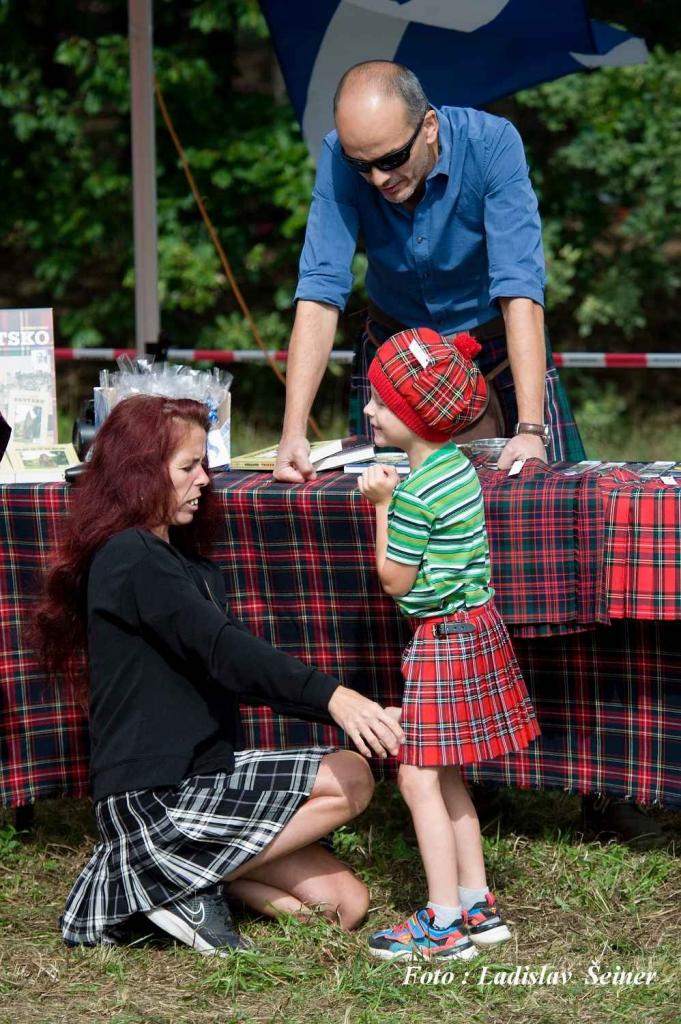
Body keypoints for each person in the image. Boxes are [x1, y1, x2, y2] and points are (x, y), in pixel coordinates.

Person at [34, 395, 404, 955]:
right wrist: (335, 698)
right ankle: (165, 877)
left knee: (344, 905)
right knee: (350, 775)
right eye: (188, 466)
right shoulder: (130, 557)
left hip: (205, 775)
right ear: (138, 474)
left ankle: (178, 883)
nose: (205, 479)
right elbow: (225, 653)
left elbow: (226, 665)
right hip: (156, 795)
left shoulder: (178, 561)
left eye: (203, 464)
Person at [274, 59, 586, 484]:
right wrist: (293, 432)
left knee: (540, 506)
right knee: (389, 510)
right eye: (361, 165)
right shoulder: (338, 156)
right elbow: (319, 291)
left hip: (495, 351)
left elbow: (520, 289)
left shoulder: (492, 144)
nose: (378, 179)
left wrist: (531, 429)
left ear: (429, 127)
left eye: (392, 159)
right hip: (394, 355)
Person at [358, 327, 540, 961]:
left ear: (413, 417)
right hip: (477, 629)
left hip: (442, 641)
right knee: (447, 770)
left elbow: (394, 581)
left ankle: (442, 923)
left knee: (416, 777)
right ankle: (476, 902)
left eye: (381, 402)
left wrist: (382, 504)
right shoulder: (458, 467)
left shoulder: (413, 493)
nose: (369, 410)